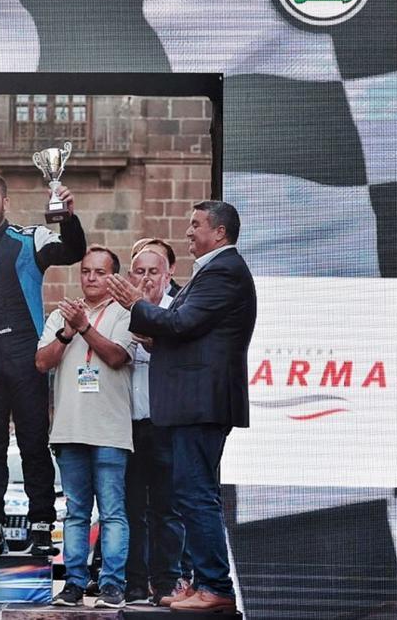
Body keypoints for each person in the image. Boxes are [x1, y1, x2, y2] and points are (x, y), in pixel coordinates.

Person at [108, 200, 256, 614]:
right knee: (190, 494)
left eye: (195, 225)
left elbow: (181, 324)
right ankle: (204, 581)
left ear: (220, 233)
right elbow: (188, 332)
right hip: (194, 402)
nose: (188, 232)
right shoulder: (213, 271)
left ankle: (215, 586)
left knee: (195, 495)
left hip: (200, 403)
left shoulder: (224, 270)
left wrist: (135, 305)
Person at [0, 172, 86, 555]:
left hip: (26, 352)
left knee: (33, 443)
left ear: (5, 202)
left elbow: (73, 251)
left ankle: (41, 526)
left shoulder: (31, 240)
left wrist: (67, 218)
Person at [35, 246, 135, 609]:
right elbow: (41, 363)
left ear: (113, 277)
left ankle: (111, 585)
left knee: (111, 512)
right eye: (86, 271)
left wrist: (85, 328)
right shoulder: (62, 314)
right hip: (68, 430)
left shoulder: (125, 312)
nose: (91, 278)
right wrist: (66, 333)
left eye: (99, 272)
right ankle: (74, 584)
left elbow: (116, 356)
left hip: (110, 430)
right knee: (76, 512)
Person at [120, 247, 185, 606]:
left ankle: (166, 581)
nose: (146, 278)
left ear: (166, 275)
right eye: (139, 271)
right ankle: (134, 581)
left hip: (167, 423)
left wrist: (157, 341)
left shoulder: (179, 309)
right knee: (132, 509)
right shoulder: (121, 311)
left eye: (153, 272)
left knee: (168, 509)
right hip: (128, 424)